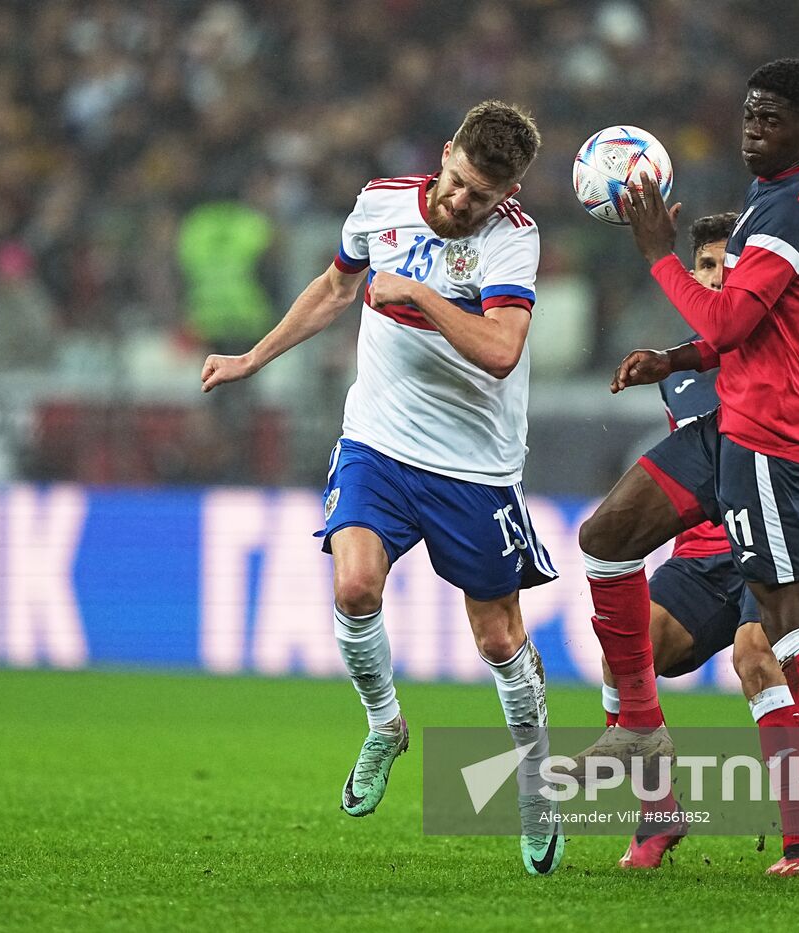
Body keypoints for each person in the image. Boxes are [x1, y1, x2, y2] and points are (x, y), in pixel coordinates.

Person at [201, 101, 564, 875]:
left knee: (499, 639)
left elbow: (502, 351)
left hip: (476, 465)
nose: (466, 204)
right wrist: (251, 359)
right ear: (446, 155)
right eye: (461, 183)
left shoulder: (513, 241)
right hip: (379, 442)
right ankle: (385, 723)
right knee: (356, 587)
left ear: (511, 195)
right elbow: (337, 289)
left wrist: (421, 296)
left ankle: (536, 780)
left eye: (486, 196)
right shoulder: (382, 202)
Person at [578, 59, 799, 893]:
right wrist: (677, 357)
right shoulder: (772, 200)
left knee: (787, 630)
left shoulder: (795, 209)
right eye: (749, 112)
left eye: (773, 117)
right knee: (607, 538)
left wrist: (659, 255)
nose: (753, 126)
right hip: (733, 421)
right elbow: (733, 332)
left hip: (767, 432)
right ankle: (641, 732)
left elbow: (732, 316)